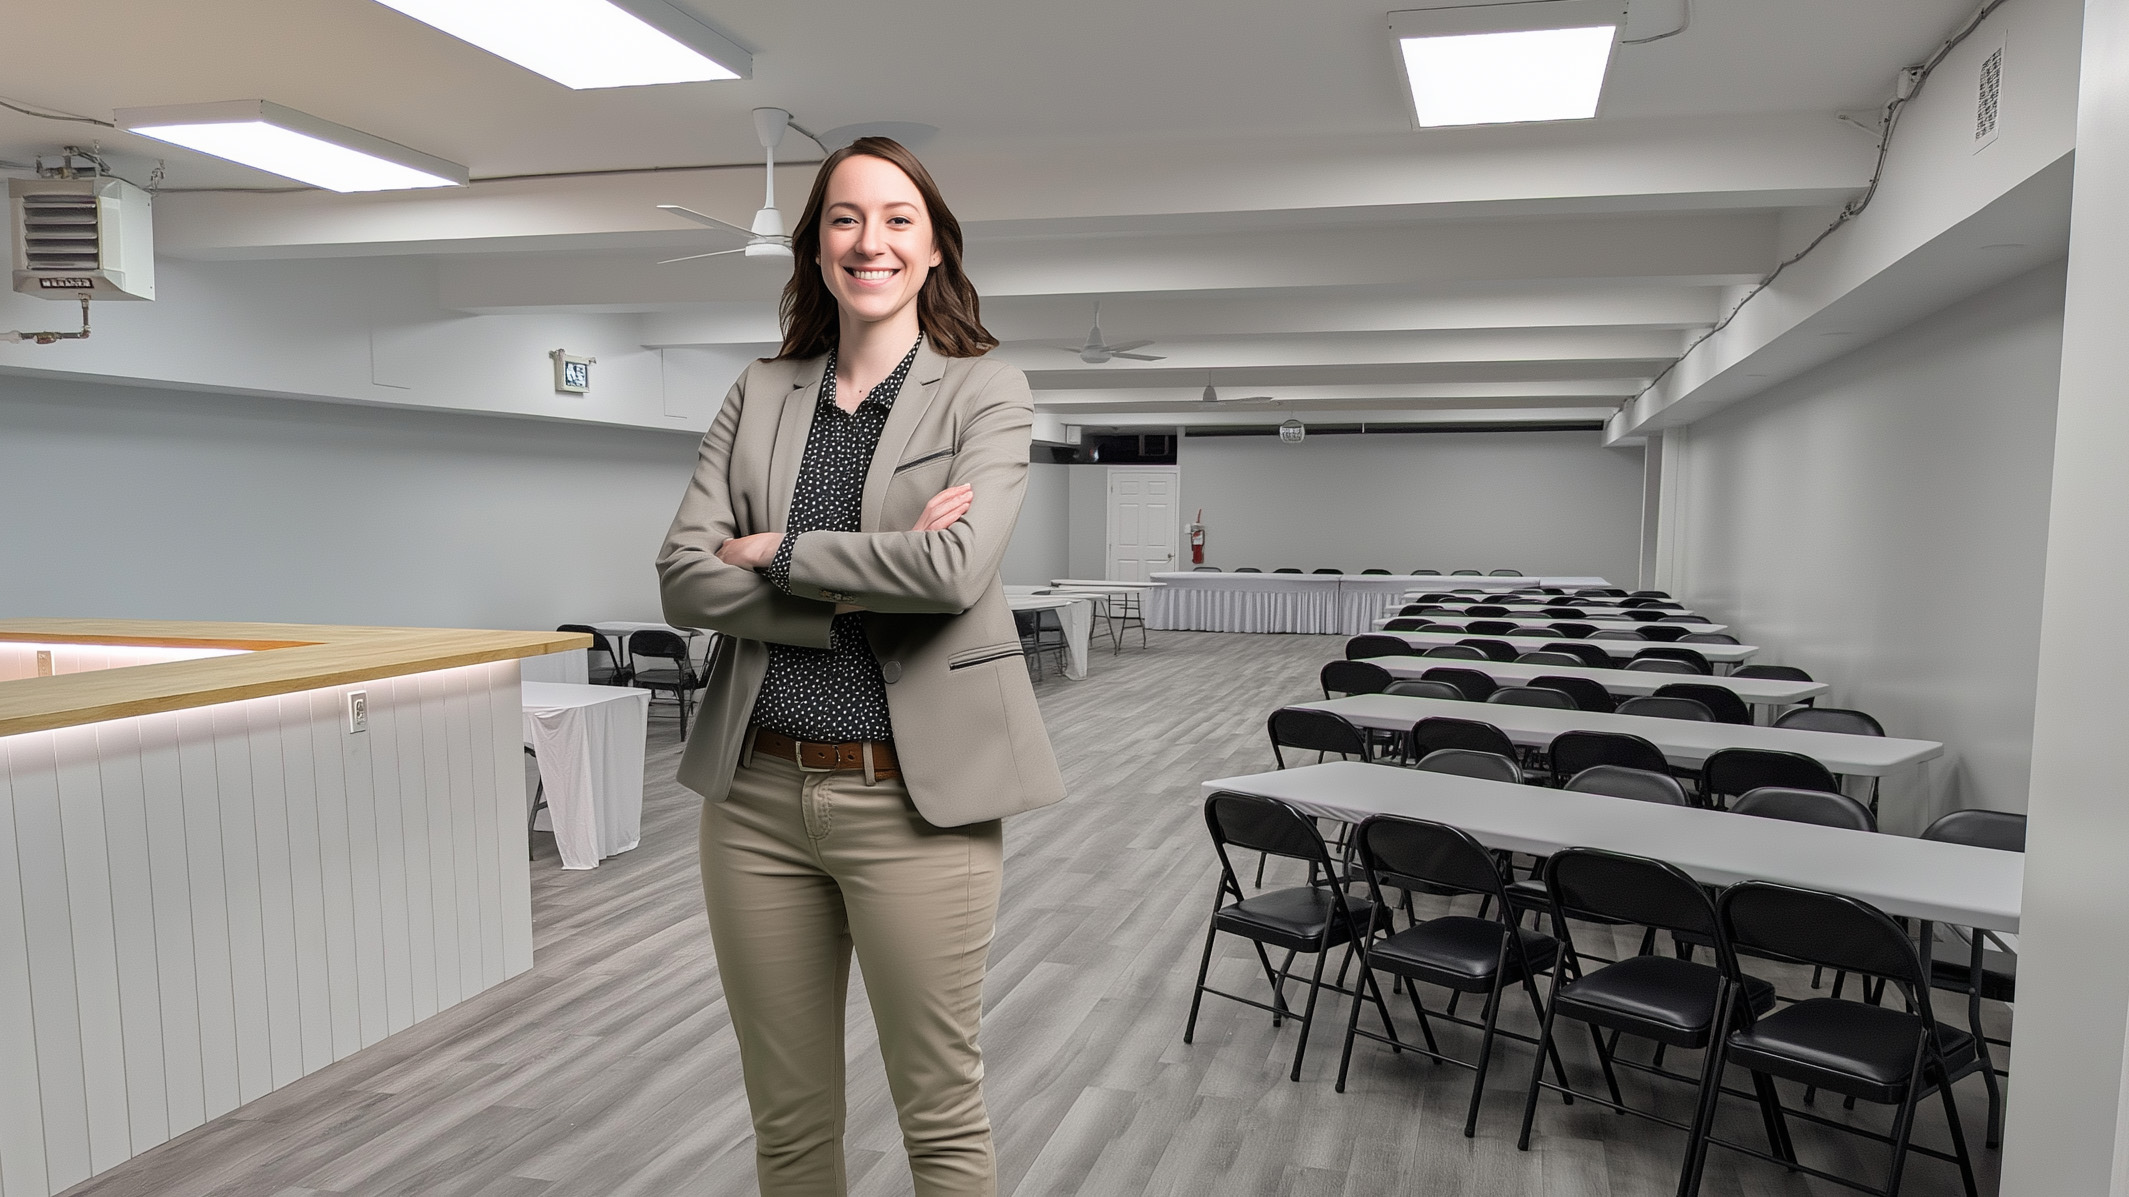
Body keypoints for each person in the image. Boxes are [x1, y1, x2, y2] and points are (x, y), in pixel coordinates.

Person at [656, 137, 1065, 1197]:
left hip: (916, 806)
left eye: (895, 219)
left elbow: (953, 569)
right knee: (787, 1118)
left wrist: (774, 550)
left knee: (938, 1112)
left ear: (933, 250)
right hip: (753, 798)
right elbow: (682, 581)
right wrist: (867, 577)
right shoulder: (759, 391)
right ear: (815, 246)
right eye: (844, 218)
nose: (867, 240)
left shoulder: (985, 391)